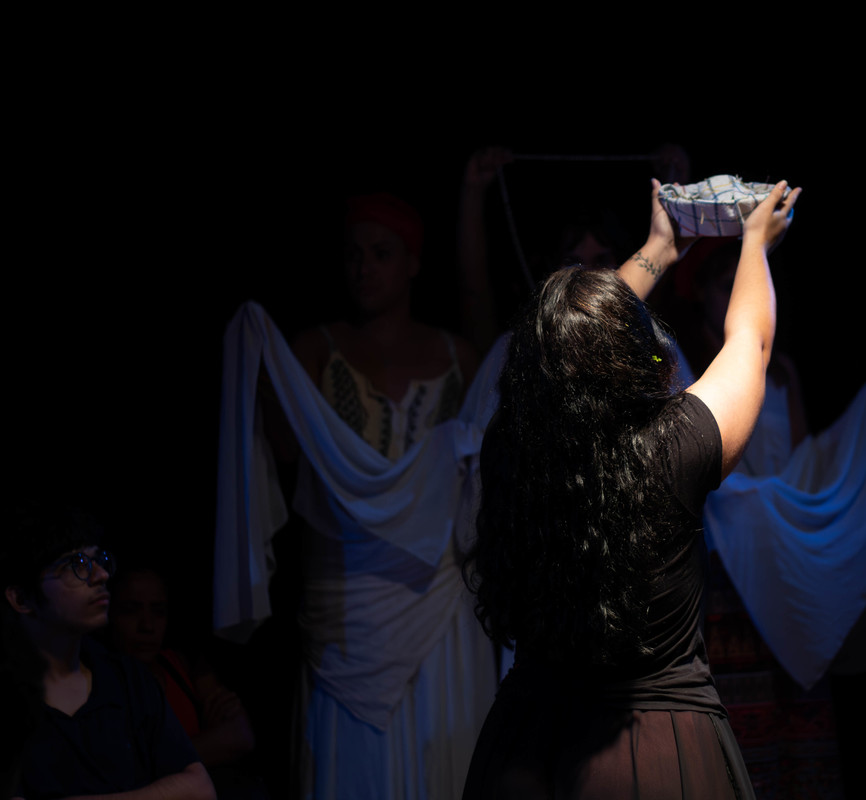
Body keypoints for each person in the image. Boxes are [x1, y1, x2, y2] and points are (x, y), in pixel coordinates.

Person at [461, 177, 799, 797]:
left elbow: (566, 345)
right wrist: (755, 242)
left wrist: (659, 247)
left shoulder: (507, 448)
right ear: (639, 352)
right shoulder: (674, 448)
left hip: (525, 748)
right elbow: (749, 342)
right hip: (654, 750)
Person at [214, 191, 496, 800]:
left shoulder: (457, 354)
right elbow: (285, 453)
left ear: (413, 262)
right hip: (348, 589)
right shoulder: (316, 346)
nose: (364, 268)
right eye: (353, 255)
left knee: (442, 752)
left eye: (381, 253)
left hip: (437, 591)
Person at [2, 503, 215, 800]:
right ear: (22, 598)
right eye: (77, 565)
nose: (101, 575)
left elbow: (200, 789)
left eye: (98, 561)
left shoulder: (128, 678)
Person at [106, 563, 263, 796]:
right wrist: (208, 742)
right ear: (109, 614)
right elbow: (126, 769)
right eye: (131, 610)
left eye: (158, 611)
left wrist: (159, 761)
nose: (147, 626)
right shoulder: (100, 683)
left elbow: (240, 736)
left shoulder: (182, 664)